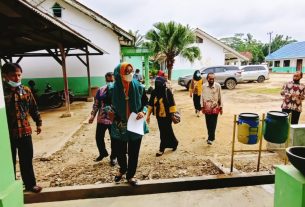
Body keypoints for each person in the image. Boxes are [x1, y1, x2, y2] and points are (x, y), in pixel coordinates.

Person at [2, 63, 42, 193]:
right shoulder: (1, 92)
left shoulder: (26, 90)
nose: (17, 78)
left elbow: (33, 108)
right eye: (13, 75)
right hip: (6, 134)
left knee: (26, 159)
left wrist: (38, 122)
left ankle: (30, 184)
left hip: (24, 131)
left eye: (19, 75)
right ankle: (10, 187)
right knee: (9, 162)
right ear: (5, 76)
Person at [110, 62, 148, 186]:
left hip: (135, 123)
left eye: (131, 71)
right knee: (120, 151)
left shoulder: (138, 86)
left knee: (134, 152)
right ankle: (122, 169)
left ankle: (130, 176)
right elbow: (105, 105)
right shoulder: (111, 89)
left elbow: (145, 103)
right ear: (119, 74)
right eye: (126, 72)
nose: (130, 74)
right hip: (119, 124)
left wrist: (143, 112)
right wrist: (110, 113)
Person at [89, 72, 117, 166]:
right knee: (98, 137)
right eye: (108, 80)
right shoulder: (100, 90)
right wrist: (92, 116)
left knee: (114, 139)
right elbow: (96, 104)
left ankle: (113, 157)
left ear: (115, 80)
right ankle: (103, 153)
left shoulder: (117, 90)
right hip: (101, 118)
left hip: (113, 120)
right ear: (105, 80)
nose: (110, 82)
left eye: (112, 80)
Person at [146, 76, 179, 156]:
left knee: (166, 131)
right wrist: (148, 115)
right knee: (163, 131)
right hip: (159, 116)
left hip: (168, 116)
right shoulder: (154, 92)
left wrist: (173, 115)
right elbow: (150, 104)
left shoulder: (167, 91)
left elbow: (172, 104)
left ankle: (162, 148)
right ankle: (174, 143)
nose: (158, 86)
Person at [201, 73, 223, 145]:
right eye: (210, 78)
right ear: (207, 79)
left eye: (213, 78)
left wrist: (221, 107)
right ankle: (210, 136)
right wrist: (202, 106)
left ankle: (210, 138)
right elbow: (201, 97)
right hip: (206, 107)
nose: (212, 80)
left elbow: (220, 97)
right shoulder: (203, 86)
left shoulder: (218, 86)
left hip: (215, 107)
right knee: (208, 123)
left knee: (213, 123)